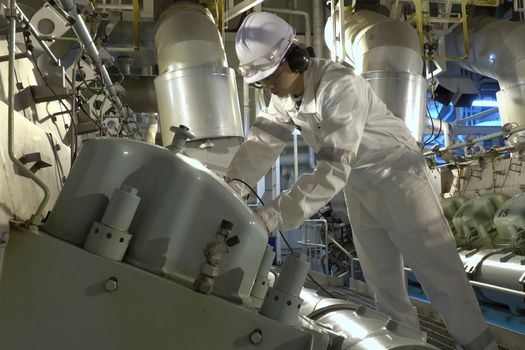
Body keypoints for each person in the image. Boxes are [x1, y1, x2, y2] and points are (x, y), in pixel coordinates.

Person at [226, 11, 498, 350]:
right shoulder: (281, 97)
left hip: (397, 176)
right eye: (259, 81)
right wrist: (230, 188)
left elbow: (331, 169)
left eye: (269, 75)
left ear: (294, 57)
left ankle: (480, 346)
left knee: (439, 273)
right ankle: (406, 345)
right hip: (360, 183)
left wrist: (270, 217)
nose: (266, 85)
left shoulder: (339, 86)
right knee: (382, 281)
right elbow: (261, 144)